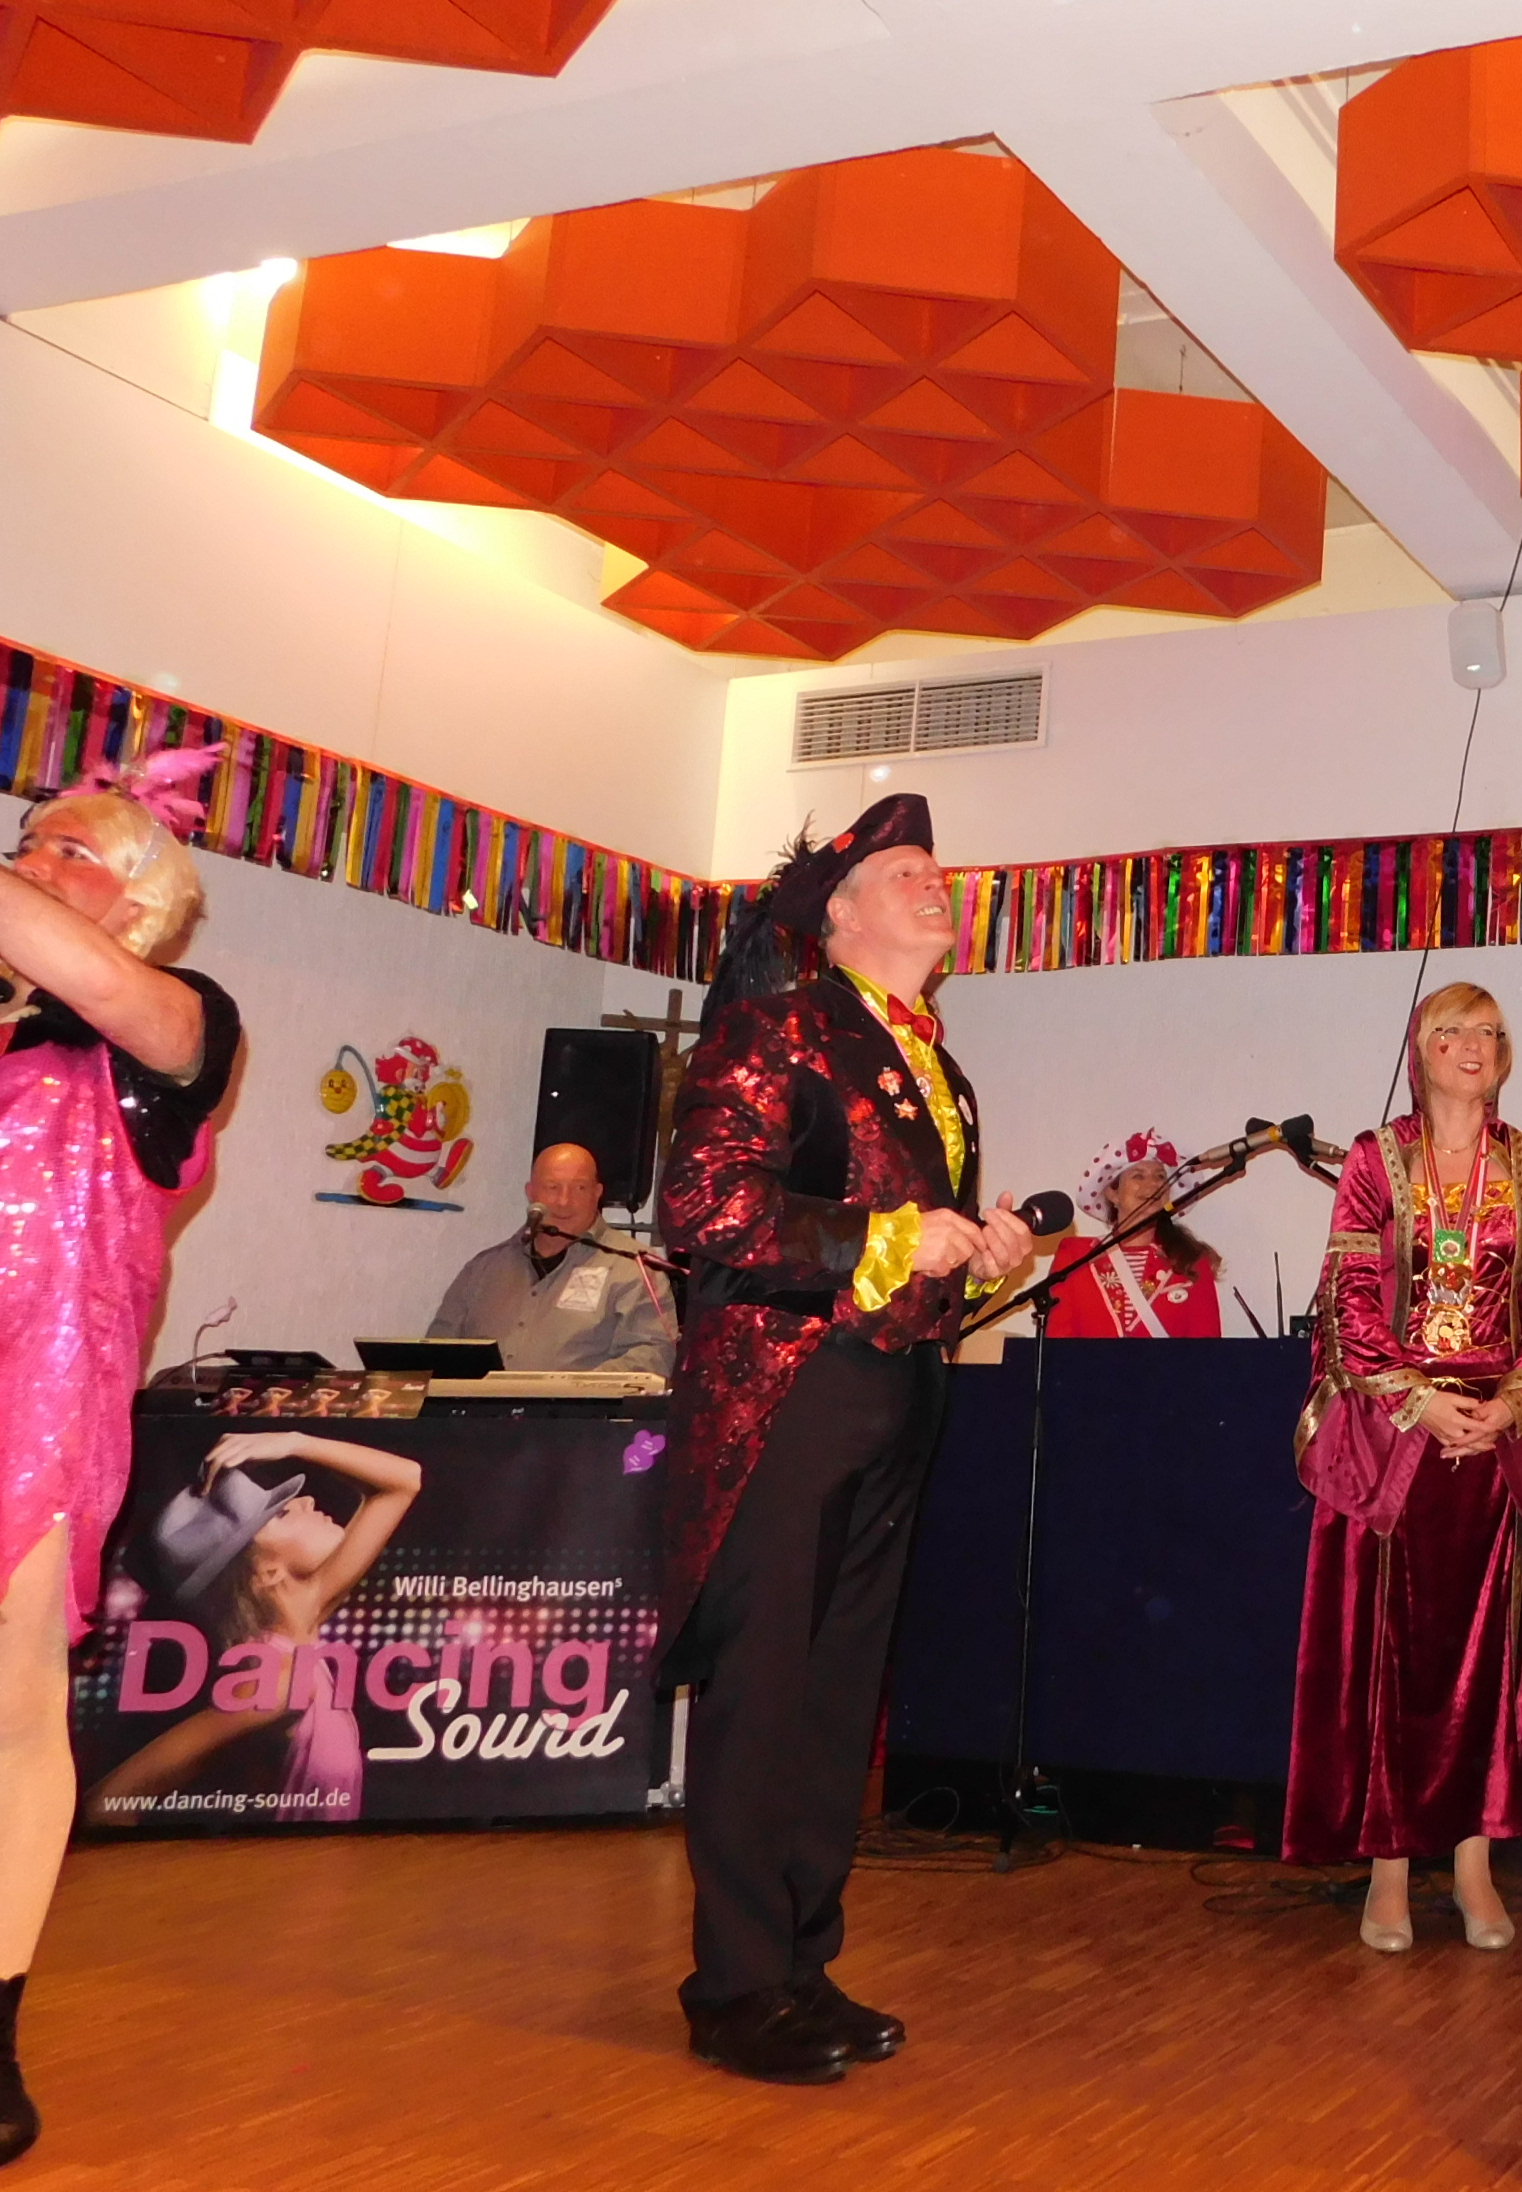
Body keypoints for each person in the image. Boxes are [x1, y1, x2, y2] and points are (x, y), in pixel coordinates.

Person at [657, 793, 1041, 2087]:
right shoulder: (777, 1027)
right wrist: (883, 1239)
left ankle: (800, 1966)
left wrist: (975, 1252)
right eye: (906, 870)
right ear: (837, 912)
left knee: (835, 1697)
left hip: (895, 1388)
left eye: (940, 868)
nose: (938, 884)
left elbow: (909, 1248)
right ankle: (735, 1985)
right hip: (791, 1390)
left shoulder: (942, 1069)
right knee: (766, 1688)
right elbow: (701, 1203)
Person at [0, 747, 240, 2176]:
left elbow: (83, 975)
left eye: (64, 846)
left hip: (23, 1421)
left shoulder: (174, 1034)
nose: (25, 861)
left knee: (7, 1728)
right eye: (24, 840)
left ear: (140, 901)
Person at [1285, 983, 1522, 1955]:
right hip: (1397, 1438)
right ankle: (1387, 1871)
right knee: (1391, 1656)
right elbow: (1349, 1297)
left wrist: (1512, 1406)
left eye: (1491, 1032)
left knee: (1485, 1662)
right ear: (1422, 1046)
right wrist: (1416, 1400)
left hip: (1493, 1439)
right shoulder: (1375, 1159)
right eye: (1455, 1030)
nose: (1474, 1045)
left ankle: (1473, 1867)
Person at [85, 1430, 425, 1825]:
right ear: (267, 1572)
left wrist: (296, 1442)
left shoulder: (307, 1621)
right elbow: (106, 1803)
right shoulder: (277, 1682)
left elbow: (403, 1482)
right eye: (281, 1514)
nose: (306, 1501)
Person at [427, 1141, 675, 1373]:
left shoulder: (634, 1266)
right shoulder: (483, 1269)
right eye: (552, 1187)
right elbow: (436, 1354)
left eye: (579, 1188)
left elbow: (654, 1356)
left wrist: (571, 1391)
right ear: (531, 1192)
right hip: (479, 1407)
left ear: (597, 1193)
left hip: (580, 1407)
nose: (564, 1201)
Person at [1039, 1130, 1224, 1339]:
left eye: (1160, 1176)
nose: (1153, 1184)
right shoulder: (1076, 1256)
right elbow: (1058, 1345)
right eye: (1139, 1176)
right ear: (1112, 1193)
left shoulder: (1191, 1259)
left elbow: (1207, 1350)